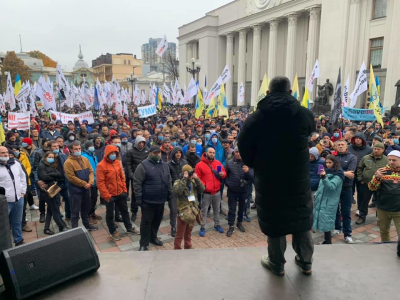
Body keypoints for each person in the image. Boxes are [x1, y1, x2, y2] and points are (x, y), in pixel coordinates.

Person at [238, 76, 315, 276]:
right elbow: (311, 131)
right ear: (290, 92)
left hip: (270, 178)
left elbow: (243, 144)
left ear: (269, 93)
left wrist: (256, 164)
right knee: (301, 217)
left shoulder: (256, 117)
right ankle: (306, 262)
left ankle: (277, 264)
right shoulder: (304, 114)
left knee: (275, 221)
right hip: (298, 178)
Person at [133, 145, 173, 251]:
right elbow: (137, 182)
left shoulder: (165, 165)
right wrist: (138, 196)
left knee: (157, 220)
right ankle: (143, 243)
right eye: (155, 153)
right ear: (150, 153)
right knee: (146, 222)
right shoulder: (143, 165)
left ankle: (153, 237)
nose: (157, 154)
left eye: (158, 152)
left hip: (161, 199)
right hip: (148, 200)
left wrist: (170, 193)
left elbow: (168, 180)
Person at [96, 145, 139, 240]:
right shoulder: (101, 165)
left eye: (115, 153)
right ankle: (113, 231)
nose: (113, 155)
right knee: (110, 214)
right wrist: (107, 196)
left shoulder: (117, 163)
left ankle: (129, 227)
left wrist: (124, 190)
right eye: (111, 153)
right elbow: (100, 183)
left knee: (124, 211)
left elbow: (122, 177)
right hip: (110, 195)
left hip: (120, 192)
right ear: (107, 154)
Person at [368, 150, 400, 247]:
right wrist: (377, 177)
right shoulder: (382, 171)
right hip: (383, 208)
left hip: (398, 209)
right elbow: (371, 187)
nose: (391, 162)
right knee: (384, 231)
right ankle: (386, 247)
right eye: (389, 160)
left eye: (394, 160)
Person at [64, 141, 97, 231]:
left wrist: (90, 182)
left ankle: (86, 225)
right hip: (76, 191)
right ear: (71, 150)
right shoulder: (68, 162)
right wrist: (84, 184)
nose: (78, 150)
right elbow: (71, 177)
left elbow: (91, 171)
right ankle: (74, 228)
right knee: (75, 211)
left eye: (79, 148)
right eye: (76, 149)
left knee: (86, 209)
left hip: (86, 189)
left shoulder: (85, 159)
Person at [195, 147, 226, 237]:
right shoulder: (199, 165)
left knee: (216, 210)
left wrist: (222, 174)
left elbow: (222, 173)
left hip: (217, 191)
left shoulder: (218, 163)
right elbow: (198, 178)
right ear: (206, 153)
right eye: (210, 152)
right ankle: (202, 226)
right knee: (204, 211)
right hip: (206, 193)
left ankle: (217, 224)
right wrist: (204, 185)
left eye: (213, 152)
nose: (212, 154)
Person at [313, 155, 344, 244]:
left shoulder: (338, 174)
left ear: (335, 163)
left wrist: (324, 177)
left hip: (329, 202)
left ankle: (328, 241)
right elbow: (321, 186)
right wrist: (317, 194)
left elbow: (331, 187)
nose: (328, 164)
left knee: (326, 221)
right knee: (322, 220)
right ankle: (326, 240)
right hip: (321, 199)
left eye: (330, 162)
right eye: (326, 162)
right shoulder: (325, 171)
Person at [173, 164, 205, 250]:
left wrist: (197, 178)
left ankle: (188, 245)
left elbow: (202, 189)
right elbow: (177, 191)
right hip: (183, 211)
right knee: (180, 233)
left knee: (189, 231)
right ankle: (177, 248)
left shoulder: (193, 182)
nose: (191, 176)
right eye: (189, 174)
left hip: (192, 209)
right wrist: (184, 178)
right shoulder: (178, 181)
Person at [0, 146, 27, 246]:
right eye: (2, 153)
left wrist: (23, 191)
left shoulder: (16, 163)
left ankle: (18, 240)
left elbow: (22, 177)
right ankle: (4, 245)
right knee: (3, 225)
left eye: (6, 152)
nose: (5, 154)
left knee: (17, 222)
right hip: (4, 202)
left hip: (19, 199)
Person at [356, 142, 388, 224]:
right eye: (375, 149)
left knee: (380, 202)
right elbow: (359, 168)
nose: (376, 150)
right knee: (364, 201)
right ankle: (362, 216)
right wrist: (360, 179)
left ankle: (380, 218)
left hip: (380, 185)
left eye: (378, 149)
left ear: (383, 150)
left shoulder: (386, 160)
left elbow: (389, 171)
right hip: (367, 184)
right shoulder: (366, 158)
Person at [225, 147, 254, 237]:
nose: (238, 154)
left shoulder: (248, 164)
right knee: (232, 209)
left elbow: (252, 177)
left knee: (242, 208)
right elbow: (225, 175)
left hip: (244, 191)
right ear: (234, 153)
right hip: (232, 191)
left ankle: (239, 222)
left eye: (240, 152)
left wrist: (248, 171)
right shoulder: (229, 163)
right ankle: (231, 225)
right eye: (237, 152)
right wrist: (228, 184)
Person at [38, 151, 69, 235]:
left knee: (50, 210)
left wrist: (50, 174)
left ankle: (46, 228)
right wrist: (53, 175)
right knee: (54, 208)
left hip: (52, 189)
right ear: (45, 157)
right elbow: (44, 177)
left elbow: (59, 174)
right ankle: (61, 226)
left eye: (52, 157)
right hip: (46, 191)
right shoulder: (41, 165)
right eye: (49, 157)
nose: (51, 159)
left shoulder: (51, 165)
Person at [334, 140, 357, 243]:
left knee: (346, 211)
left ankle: (347, 234)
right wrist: (344, 173)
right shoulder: (333, 157)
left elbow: (351, 173)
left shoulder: (352, 157)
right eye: (338, 145)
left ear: (346, 146)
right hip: (334, 187)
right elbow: (329, 170)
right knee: (335, 209)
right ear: (335, 146)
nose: (340, 146)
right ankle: (337, 228)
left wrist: (337, 172)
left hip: (346, 188)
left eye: (342, 144)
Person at [126, 136, 149, 222]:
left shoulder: (147, 150)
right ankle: (134, 212)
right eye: (139, 143)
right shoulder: (131, 152)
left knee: (146, 194)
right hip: (136, 177)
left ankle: (145, 211)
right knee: (135, 195)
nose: (141, 144)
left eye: (143, 143)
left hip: (146, 177)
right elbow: (128, 165)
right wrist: (132, 175)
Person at [348, 133, 372, 211]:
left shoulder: (369, 149)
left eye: (359, 138)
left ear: (363, 140)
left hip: (361, 174)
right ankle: (347, 210)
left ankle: (360, 210)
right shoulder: (349, 147)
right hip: (350, 173)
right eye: (356, 138)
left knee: (361, 193)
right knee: (348, 192)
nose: (357, 139)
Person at [167, 146, 187, 237]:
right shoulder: (168, 164)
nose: (178, 154)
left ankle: (182, 225)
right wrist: (170, 189)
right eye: (176, 152)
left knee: (183, 208)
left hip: (183, 189)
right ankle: (173, 226)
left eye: (180, 152)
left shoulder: (184, 162)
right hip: (173, 190)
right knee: (174, 210)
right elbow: (167, 178)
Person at [82, 141, 102, 223]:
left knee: (94, 197)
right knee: (89, 199)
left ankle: (92, 213)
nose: (92, 147)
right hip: (89, 180)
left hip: (95, 179)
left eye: (92, 146)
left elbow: (96, 166)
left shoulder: (93, 155)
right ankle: (88, 216)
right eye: (90, 146)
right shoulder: (84, 156)